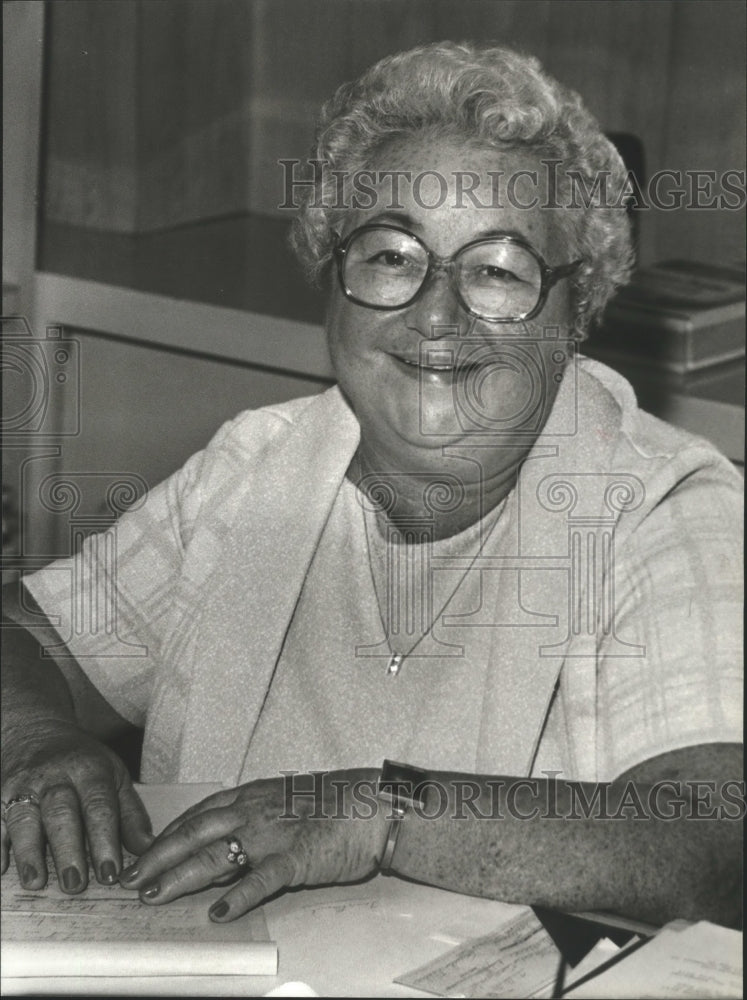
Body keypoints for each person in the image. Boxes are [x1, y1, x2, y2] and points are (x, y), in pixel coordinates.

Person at [2, 42, 742, 929]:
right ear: (333, 279)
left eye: (497, 272)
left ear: (574, 310)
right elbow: (26, 643)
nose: (436, 315)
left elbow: (709, 843)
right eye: (392, 257)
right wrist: (33, 740)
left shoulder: (663, 510)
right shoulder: (256, 467)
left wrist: (374, 811)